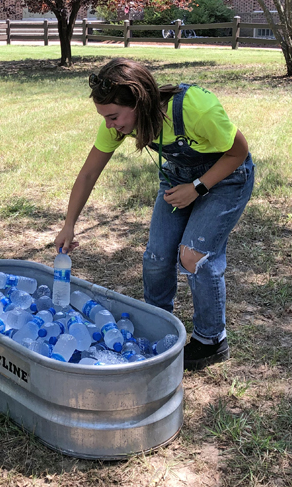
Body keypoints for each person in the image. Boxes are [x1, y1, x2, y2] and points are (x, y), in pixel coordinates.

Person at [54, 58, 255, 371]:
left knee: (193, 256)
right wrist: (69, 225)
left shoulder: (195, 109)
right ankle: (158, 326)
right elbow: (89, 173)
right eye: (105, 117)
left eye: (113, 117)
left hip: (227, 177)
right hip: (178, 180)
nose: (110, 124)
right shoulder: (121, 119)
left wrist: (198, 188)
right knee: (157, 258)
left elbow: (238, 151)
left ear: (138, 100)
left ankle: (212, 340)